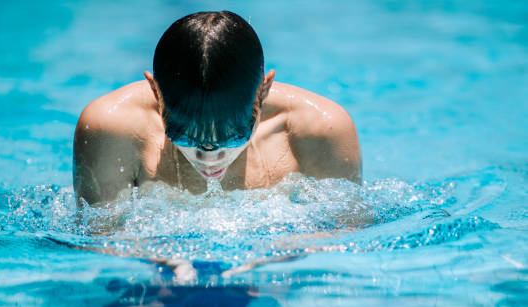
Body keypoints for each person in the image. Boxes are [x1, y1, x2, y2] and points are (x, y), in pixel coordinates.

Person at [73, 11, 361, 206]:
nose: (210, 158)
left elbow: (343, 243)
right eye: (185, 135)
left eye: (234, 135)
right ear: (155, 93)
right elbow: (102, 245)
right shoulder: (113, 126)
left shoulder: (320, 129)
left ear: (264, 91)